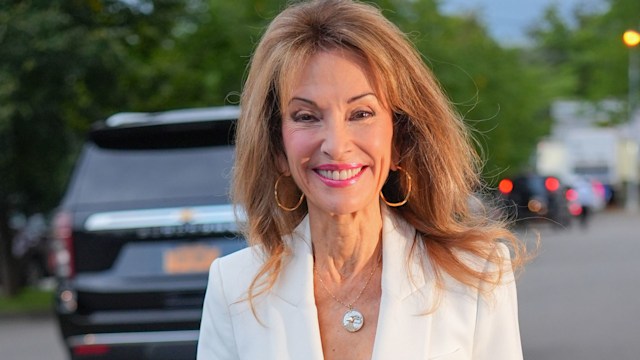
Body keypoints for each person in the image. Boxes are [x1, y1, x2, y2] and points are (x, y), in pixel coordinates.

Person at [198, 0, 527, 359]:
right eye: (306, 116)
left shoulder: (475, 275)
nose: (337, 146)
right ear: (278, 147)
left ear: (400, 137)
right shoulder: (234, 287)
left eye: (361, 113)